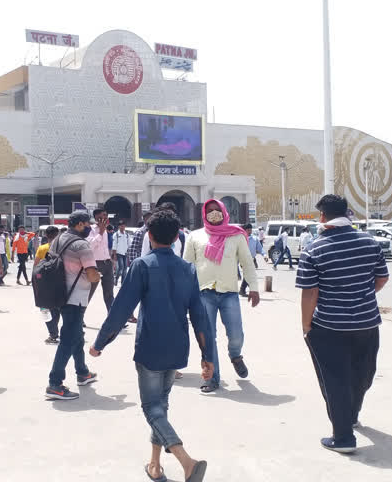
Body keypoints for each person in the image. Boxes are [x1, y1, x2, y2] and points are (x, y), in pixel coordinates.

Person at [90, 209, 213, 482]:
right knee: (162, 405)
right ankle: (155, 464)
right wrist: (208, 356)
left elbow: (121, 310)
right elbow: (200, 317)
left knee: (151, 408)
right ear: (176, 237)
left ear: (150, 235)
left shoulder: (142, 266)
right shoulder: (188, 269)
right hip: (177, 348)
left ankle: (186, 460)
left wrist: (100, 343)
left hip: (150, 347)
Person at [296, 194, 389, 454]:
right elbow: (382, 278)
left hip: (328, 327)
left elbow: (309, 293)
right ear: (346, 213)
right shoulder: (369, 242)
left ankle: (344, 437)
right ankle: (352, 415)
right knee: (362, 373)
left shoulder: (314, 249)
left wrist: (306, 326)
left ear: (323, 217)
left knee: (335, 380)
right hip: (367, 324)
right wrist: (360, 296)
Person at [184, 199, 259, 393]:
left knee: (236, 335)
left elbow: (247, 263)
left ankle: (235, 356)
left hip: (229, 294)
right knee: (208, 338)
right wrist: (184, 293)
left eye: (218, 210)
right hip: (204, 294)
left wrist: (254, 287)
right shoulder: (195, 236)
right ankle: (213, 378)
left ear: (225, 212)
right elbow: (186, 266)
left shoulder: (235, 236)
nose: (214, 213)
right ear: (203, 214)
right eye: (210, 211)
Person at [44, 211, 100, 400]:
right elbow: (92, 274)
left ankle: (82, 372)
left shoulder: (58, 239)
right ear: (79, 224)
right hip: (75, 298)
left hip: (59, 295)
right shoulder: (81, 244)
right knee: (68, 339)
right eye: (87, 224)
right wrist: (101, 275)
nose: (89, 228)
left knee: (77, 335)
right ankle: (55, 383)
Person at [34, 226, 62, 344]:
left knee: (45, 309)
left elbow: (36, 266)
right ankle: (55, 331)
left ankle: (52, 333)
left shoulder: (42, 248)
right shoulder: (62, 249)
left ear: (46, 236)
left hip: (43, 285)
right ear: (58, 236)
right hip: (58, 283)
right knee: (56, 309)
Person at [86, 209, 116, 315]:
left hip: (107, 263)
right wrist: (101, 233)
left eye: (106, 216)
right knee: (89, 292)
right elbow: (90, 246)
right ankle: (79, 316)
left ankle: (113, 318)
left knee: (109, 293)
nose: (105, 218)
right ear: (96, 218)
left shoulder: (107, 231)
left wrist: (110, 259)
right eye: (102, 216)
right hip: (95, 265)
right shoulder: (90, 229)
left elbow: (105, 247)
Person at [240, 224, 264, 295]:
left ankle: (243, 290)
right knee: (249, 275)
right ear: (245, 230)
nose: (249, 231)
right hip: (243, 260)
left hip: (252, 259)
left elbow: (260, 248)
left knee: (248, 275)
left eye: (250, 229)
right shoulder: (241, 238)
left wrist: (264, 255)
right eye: (248, 230)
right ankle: (244, 290)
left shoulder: (254, 238)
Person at [113, 221, 130, 286]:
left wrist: (128, 252)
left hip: (125, 253)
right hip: (119, 253)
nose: (123, 227)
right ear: (119, 226)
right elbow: (114, 245)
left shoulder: (127, 234)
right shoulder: (116, 235)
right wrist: (114, 255)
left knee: (125, 268)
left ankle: (123, 282)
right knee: (121, 268)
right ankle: (116, 278)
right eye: (121, 226)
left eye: (124, 226)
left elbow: (129, 244)